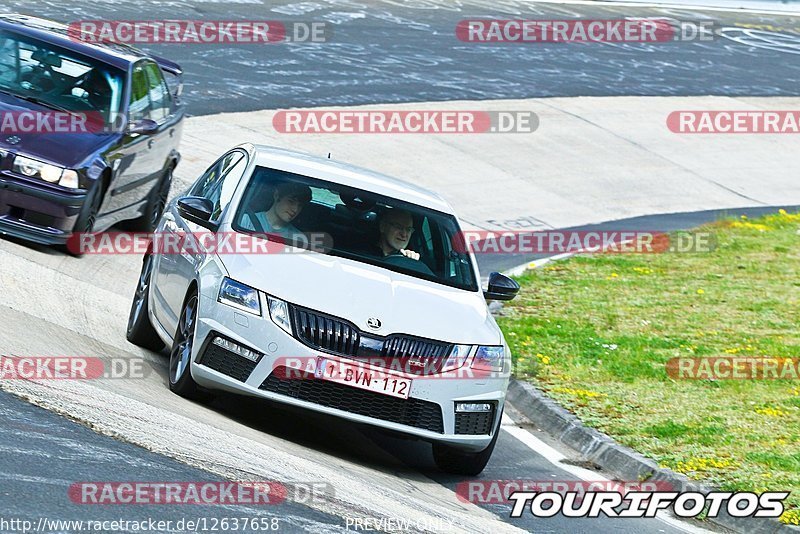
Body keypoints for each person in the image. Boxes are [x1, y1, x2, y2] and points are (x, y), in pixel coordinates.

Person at [363, 208, 433, 275]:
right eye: (398, 227)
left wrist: (412, 263)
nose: (404, 234)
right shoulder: (362, 254)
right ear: (383, 226)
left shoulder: (410, 260)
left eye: (408, 229)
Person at [240, 182, 312, 245]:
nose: (295, 209)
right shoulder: (246, 221)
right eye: (291, 201)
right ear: (276, 195)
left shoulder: (298, 237)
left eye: (300, 205)